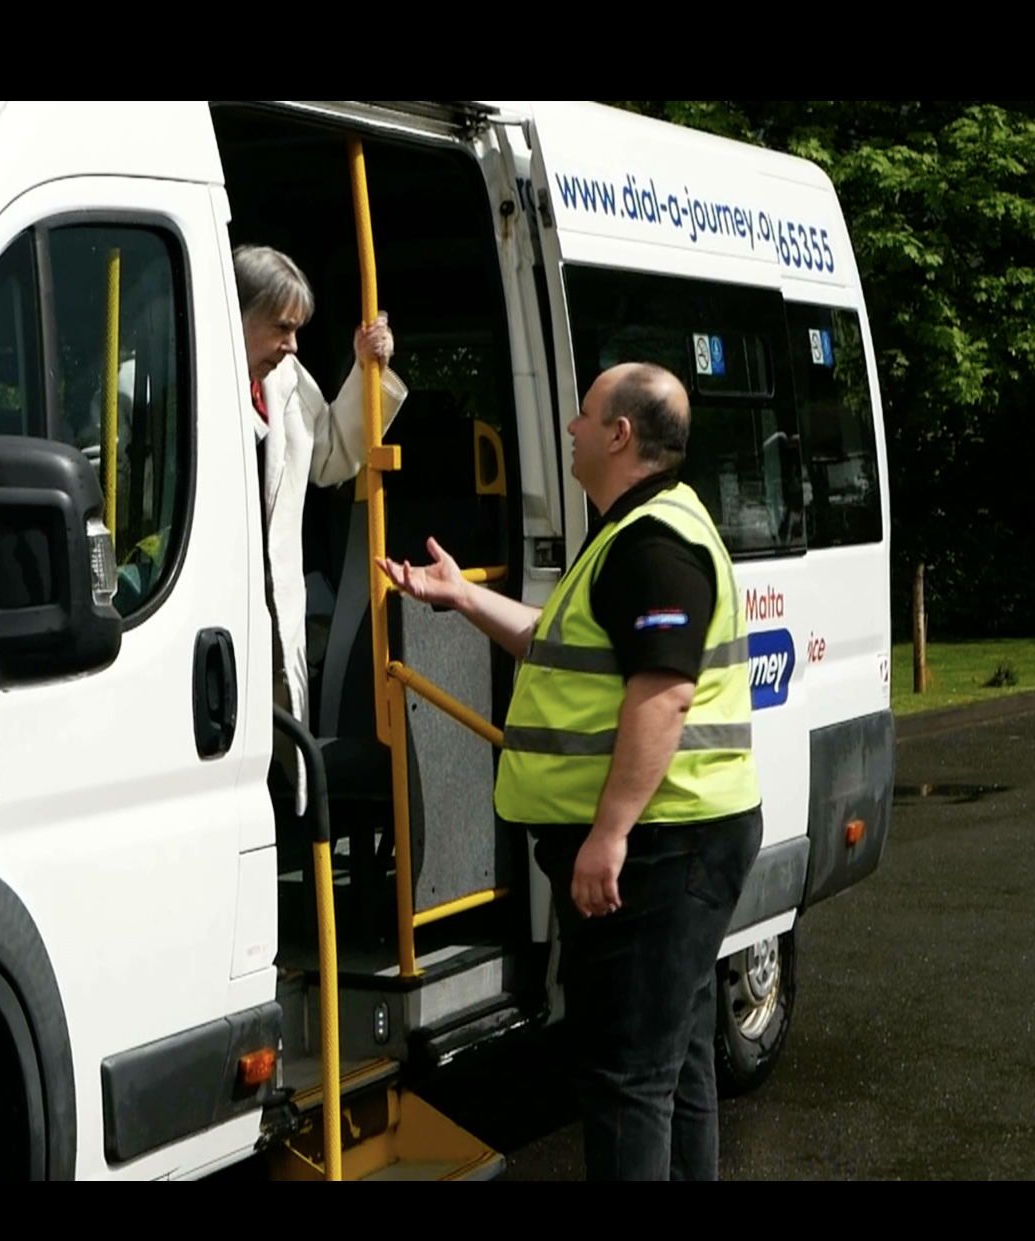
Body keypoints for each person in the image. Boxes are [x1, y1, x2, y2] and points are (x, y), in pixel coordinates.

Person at [376, 361, 762, 1181]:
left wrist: (610, 833)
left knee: (627, 1080)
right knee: (678, 1063)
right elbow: (561, 646)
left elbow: (664, 691)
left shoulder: (653, 543)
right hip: (677, 842)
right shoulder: (630, 531)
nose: (571, 428)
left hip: (660, 849)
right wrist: (464, 598)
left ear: (621, 435)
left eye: (584, 416)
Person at [235, 245, 408, 817]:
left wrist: (368, 368)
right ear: (235, 311)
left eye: (297, 330)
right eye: (281, 328)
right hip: (208, 611)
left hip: (270, 614)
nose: (292, 345)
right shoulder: (165, 373)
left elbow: (332, 456)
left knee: (278, 781)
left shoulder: (283, 377)